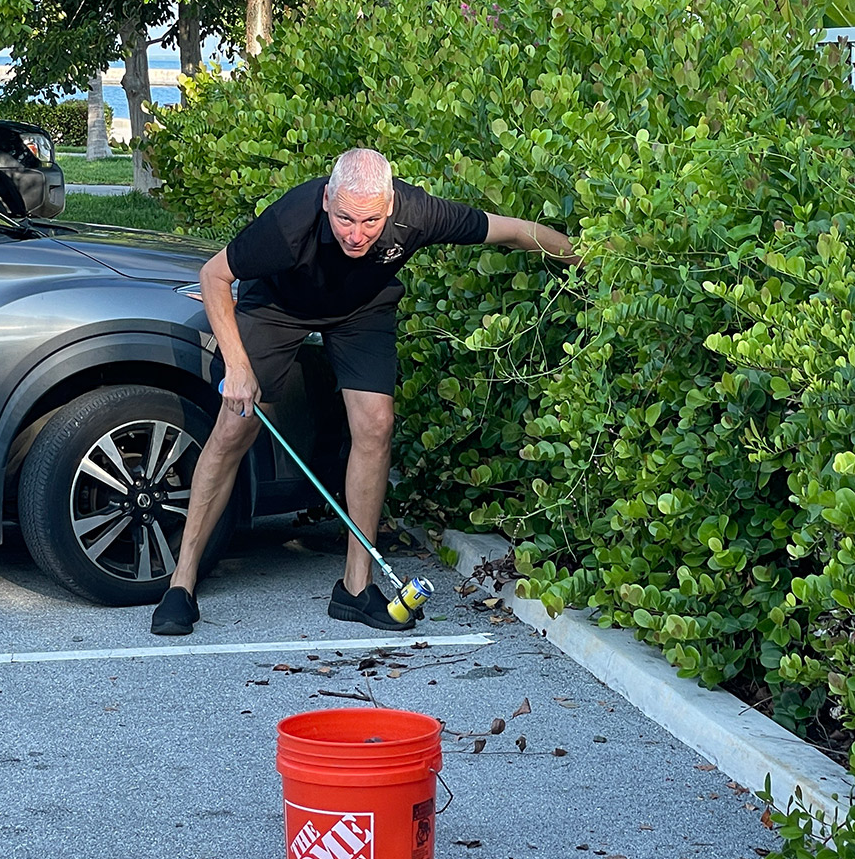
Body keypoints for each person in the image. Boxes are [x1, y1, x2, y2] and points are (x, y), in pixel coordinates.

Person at [150, 148, 579, 636]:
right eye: (345, 218)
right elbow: (214, 275)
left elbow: (512, 229)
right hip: (277, 307)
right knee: (235, 428)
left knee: (376, 423)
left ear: (391, 205)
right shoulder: (292, 220)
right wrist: (238, 364)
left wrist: (583, 262)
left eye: (371, 221)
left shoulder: (419, 214)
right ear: (328, 199)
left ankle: (355, 587)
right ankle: (181, 583)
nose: (356, 234)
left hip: (361, 311)